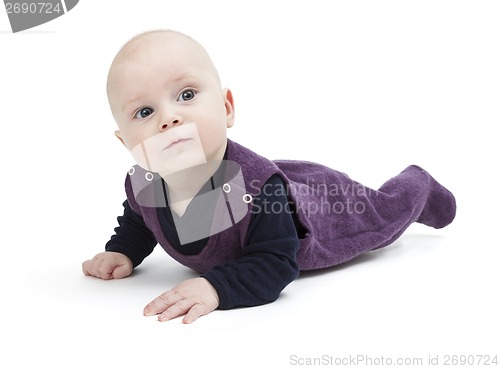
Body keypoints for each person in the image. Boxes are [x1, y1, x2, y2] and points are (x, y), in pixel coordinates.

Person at [82, 30, 456, 324]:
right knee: (264, 177)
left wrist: (218, 287)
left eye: (187, 94)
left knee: (384, 213)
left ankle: (418, 186)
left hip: (325, 214)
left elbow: (277, 262)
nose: (169, 118)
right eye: (144, 111)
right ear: (125, 141)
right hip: (270, 177)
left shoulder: (259, 191)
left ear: (226, 107)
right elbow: (140, 218)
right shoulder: (144, 182)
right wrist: (123, 250)